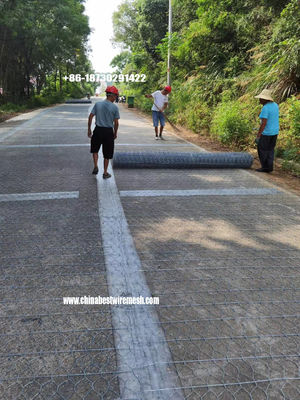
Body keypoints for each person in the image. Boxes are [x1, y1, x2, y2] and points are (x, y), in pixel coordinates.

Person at [87, 86, 120, 178]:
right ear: (112, 96)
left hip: (98, 130)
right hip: (108, 132)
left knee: (95, 150)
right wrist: (115, 133)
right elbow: (116, 123)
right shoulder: (114, 107)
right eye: (115, 96)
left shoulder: (98, 104)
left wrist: (89, 129)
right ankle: (105, 173)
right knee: (107, 153)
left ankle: (95, 166)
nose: (116, 98)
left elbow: (90, 116)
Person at [254, 89, 279, 173]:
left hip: (267, 133)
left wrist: (258, 135)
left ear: (265, 99)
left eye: (261, 98)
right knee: (270, 150)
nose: (259, 100)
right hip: (275, 132)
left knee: (262, 149)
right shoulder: (275, 105)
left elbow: (263, 123)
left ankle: (265, 167)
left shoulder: (265, 108)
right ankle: (269, 167)